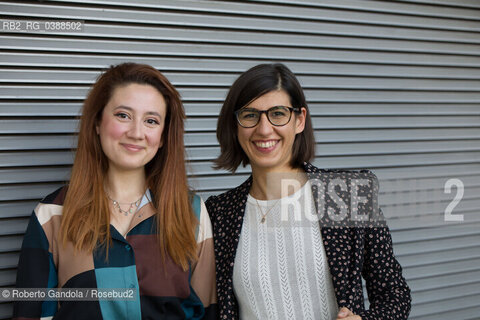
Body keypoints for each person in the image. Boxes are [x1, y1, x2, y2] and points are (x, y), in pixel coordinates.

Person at [205, 63, 411, 320]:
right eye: (249, 115)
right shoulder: (219, 213)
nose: (264, 129)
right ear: (235, 126)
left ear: (299, 120)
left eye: (278, 113)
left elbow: (394, 295)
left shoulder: (346, 196)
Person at [13, 63, 217, 319]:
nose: (136, 133)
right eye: (123, 115)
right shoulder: (51, 215)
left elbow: (208, 313)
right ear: (98, 122)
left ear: (163, 136)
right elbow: (30, 314)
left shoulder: (193, 213)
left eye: (151, 121)